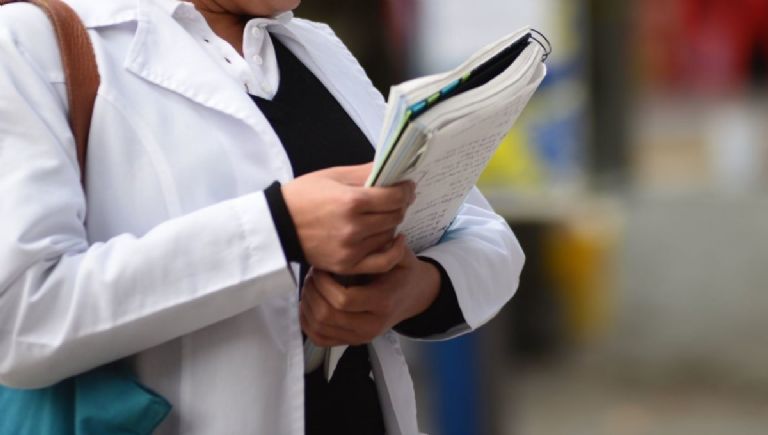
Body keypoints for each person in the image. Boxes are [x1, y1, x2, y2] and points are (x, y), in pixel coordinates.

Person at [0, 0, 524, 433]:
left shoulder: (313, 47)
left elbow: (485, 234)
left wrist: (413, 291)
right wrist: (277, 228)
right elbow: (22, 319)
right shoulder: (31, 43)